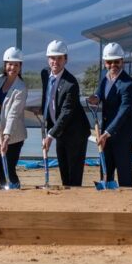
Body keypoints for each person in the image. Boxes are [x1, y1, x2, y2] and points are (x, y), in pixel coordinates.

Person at [87, 43, 132, 187]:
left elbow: (124, 111)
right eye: (109, 62)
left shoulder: (128, 84)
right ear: (105, 63)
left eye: (117, 61)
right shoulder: (105, 78)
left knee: (124, 174)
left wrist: (107, 133)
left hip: (122, 136)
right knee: (105, 171)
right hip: (106, 135)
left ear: (122, 61)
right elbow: (100, 93)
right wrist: (96, 97)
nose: (113, 65)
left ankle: (127, 205)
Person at [41, 40, 90, 187]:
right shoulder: (45, 74)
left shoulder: (71, 83)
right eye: (52, 58)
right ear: (48, 59)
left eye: (59, 58)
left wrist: (50, 135)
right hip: (60, 131)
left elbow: (66, 112)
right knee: (64, 173)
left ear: (66, 59)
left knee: (73, 177)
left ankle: (76, 206)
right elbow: (50, 97)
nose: (55, 62)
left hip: (76, 134)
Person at [0, 47, 28, 187]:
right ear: (5, 65)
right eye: (10, 64)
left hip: (13, 135)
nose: (13, 67)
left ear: (20, 67)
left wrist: (6, 138)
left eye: (16, 64)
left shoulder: (21, 88)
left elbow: (13, 114)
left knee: (9, 167)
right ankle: (4, 191)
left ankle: (14, 189)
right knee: (0, 167)